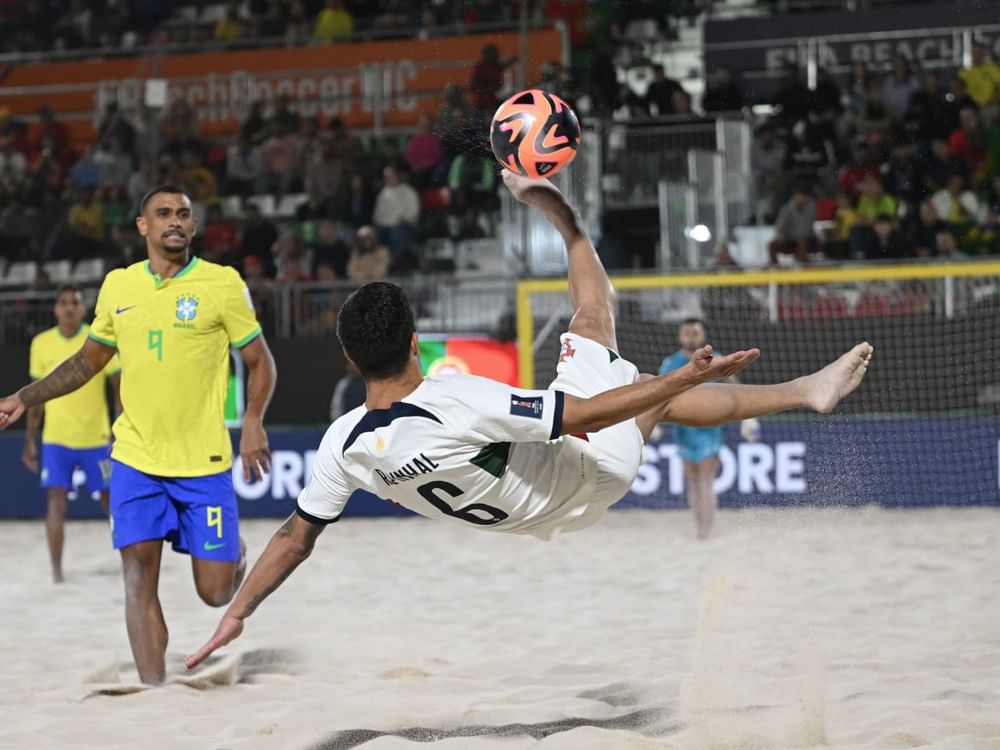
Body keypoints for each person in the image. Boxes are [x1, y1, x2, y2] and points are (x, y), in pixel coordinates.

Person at [184, 171, 873, 670]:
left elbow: (294, 538)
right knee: (593, 317)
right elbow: (588, 416)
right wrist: (682, 376)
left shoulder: (344, 445)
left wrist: (239, 610)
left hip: (545, 518)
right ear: (416, 337)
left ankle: (787, 389)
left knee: (636, 385)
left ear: (348, 357)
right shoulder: (457, 399)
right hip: (592, 471)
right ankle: (564, 214)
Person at [0, 186, 277, 685]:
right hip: (134, 458)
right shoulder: (118, 287)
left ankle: (232, 552)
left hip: (203, 461)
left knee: (215, 593)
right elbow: (88, 362)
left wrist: (253, 419)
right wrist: (26, 397)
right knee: (137, 576)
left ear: (193, 227)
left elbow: (260, 361)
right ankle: (155, 693)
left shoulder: (222, 283)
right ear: (142, 226)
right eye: (164, 213)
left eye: (184, 214)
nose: (175, 221)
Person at [23, 285, 121, 583]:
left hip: (97, 438)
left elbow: (119, 387)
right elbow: (35, 396)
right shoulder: (41, 343)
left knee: (111, 501)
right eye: (63, 303)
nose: (68, 308)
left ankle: (130, 560)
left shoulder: (97, 338)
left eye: (74, 303)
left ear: (82, 309)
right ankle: (56, 570)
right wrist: (30, 439)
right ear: (55, 309)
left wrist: (119, 427)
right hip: (56, 438)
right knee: (55, 500)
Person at [659, 320, 759, 539]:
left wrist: (748, 419)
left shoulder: (717, 360)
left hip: (709, 428)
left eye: (695, 332)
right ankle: (700, 528)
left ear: (702, 335)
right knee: (693, 481)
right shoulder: (670, 363)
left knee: (706, 479)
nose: (691, 336)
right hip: (683, 428)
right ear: (680, 336)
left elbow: (736, 388)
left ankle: (706, 529)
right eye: (687, 332)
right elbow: (657, 394)